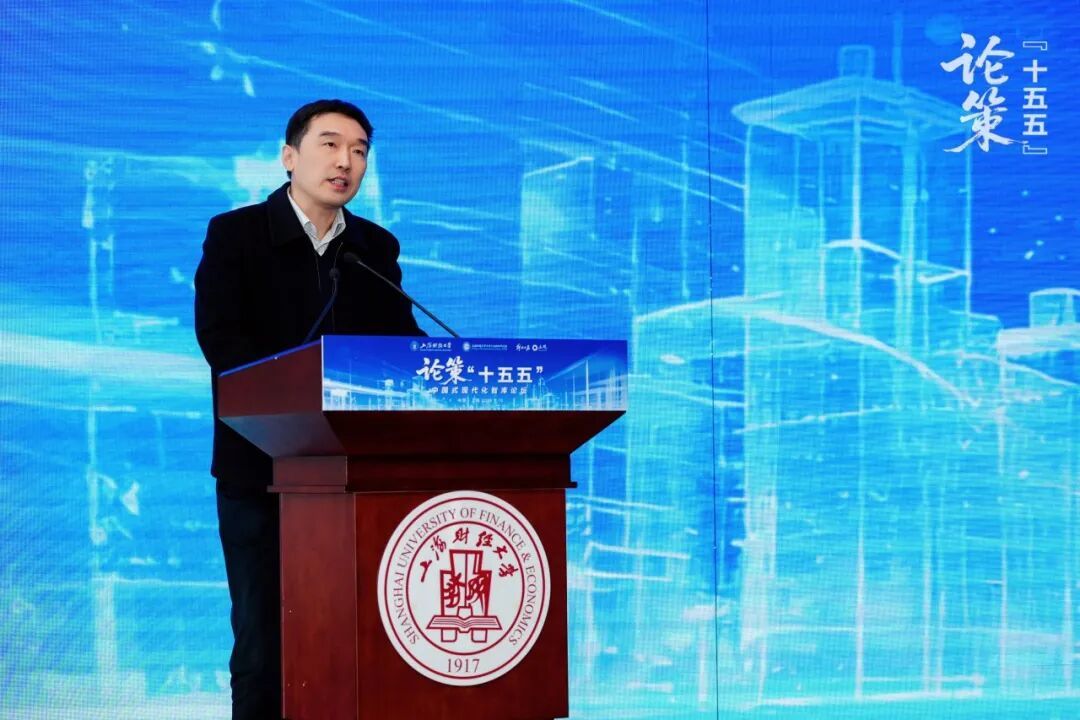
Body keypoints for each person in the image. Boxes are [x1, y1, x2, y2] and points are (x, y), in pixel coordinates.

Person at [194, 99, 423, 720]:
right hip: (259, 473)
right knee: (264, 646)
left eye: (359, 151)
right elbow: (222, 342)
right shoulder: (236, 236)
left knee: (355, 642)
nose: (345, 161)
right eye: (330, 145)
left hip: (357, 479)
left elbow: (402, 349)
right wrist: (299, 392)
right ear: (289, 157)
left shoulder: (373, 247)